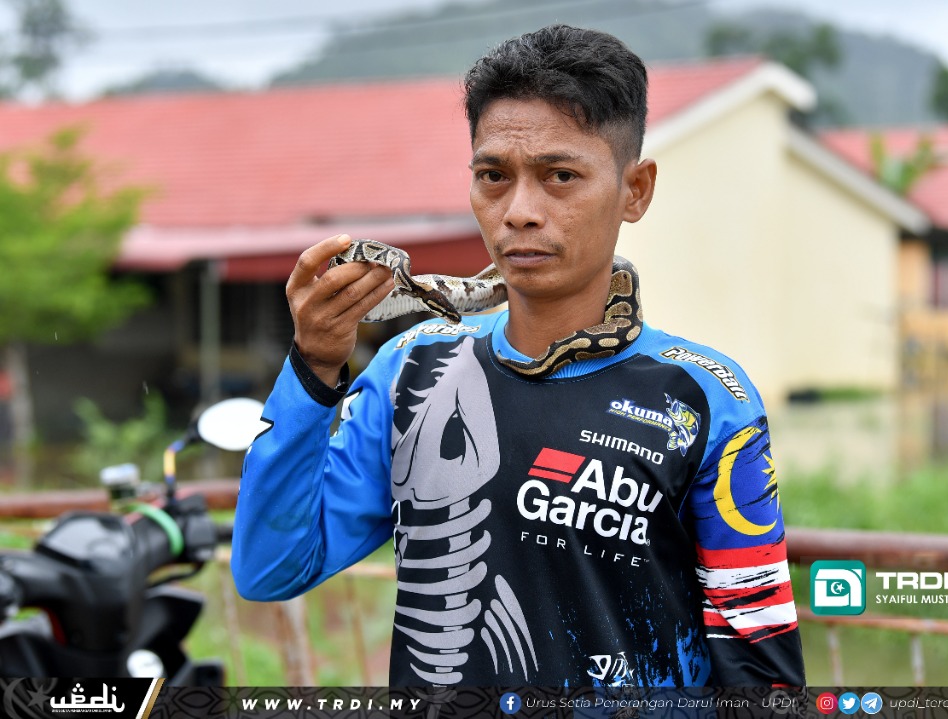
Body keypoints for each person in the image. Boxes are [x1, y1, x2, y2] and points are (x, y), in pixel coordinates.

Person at [232, 24, 805, 687]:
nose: (519, 211)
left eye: (560, 175)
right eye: (493, 176)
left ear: (636, 189)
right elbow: (271, 566)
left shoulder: (706, 397)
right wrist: (313, 367)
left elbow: (762, 666)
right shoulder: (411, 370)